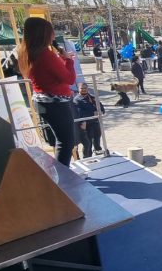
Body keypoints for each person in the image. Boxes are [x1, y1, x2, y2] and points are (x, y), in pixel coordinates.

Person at [17, 17, 77, 166]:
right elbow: (69, 79)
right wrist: (68, 61)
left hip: (43, 102)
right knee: (66, 142)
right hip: (56, 104)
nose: (54, 36)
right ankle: (63, 180)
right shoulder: (46, 55)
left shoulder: (28, 53)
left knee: (60, 140)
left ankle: (62, 176)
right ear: (43, 34)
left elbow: (49, 74)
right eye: (51, 33)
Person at [73, 82, 105, 158]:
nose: (83, 90)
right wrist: (92, 113)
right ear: (78, 89)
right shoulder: (77, 100)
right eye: (82, 88)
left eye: (85, 88)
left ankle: (98, 153)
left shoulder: (93, 97)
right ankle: (87, 157)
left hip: (96, 122)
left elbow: (102, 108)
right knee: (88, 143)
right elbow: (79, 113)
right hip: (86, 124)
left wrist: (100, 111)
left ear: (87, 88)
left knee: (97, 139)